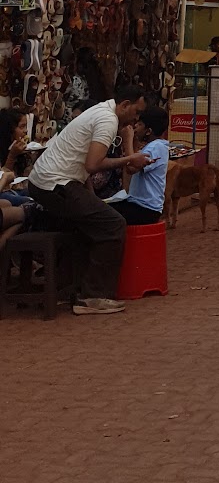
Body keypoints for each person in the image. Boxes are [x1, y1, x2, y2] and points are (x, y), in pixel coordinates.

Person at [26, 84, 147, 315]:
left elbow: (84, 166)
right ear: (124, 105)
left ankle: (68, 286)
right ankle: (93, 296)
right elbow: (93, 165)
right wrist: (130, 158)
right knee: (114, 225)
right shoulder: (107, 121)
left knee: (91, 223)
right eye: (136, 112)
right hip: (54, 184)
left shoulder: (101, 111)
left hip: (49, 182)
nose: (136, 118)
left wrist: (91, 199)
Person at [111, 108, 172, 225]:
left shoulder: (155, 147)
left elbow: (131, 168)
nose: (135, 127)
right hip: (144, 206)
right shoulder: (158, 146)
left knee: (104, 215)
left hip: (145, 208)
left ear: (148, 131)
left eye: (139, 124)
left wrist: (127, 140)